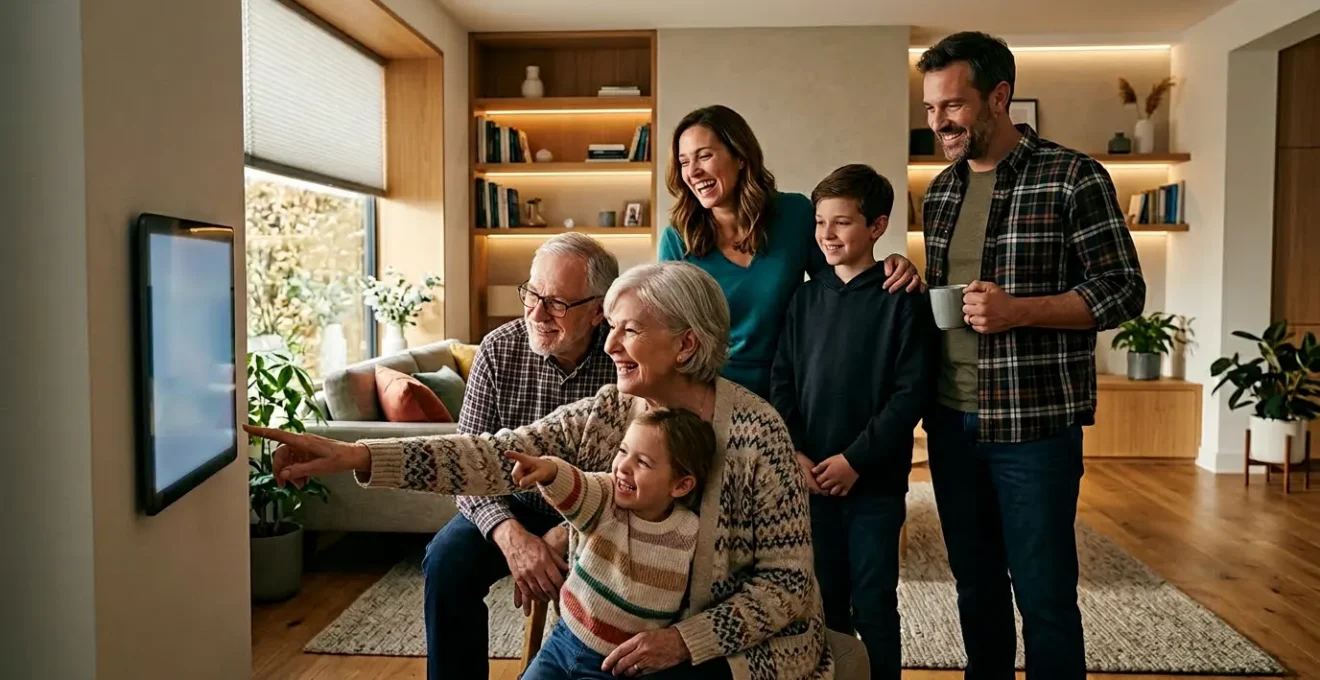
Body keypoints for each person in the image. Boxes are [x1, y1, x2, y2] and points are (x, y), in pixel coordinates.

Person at [246, 261, 843, 680]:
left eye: (629, 330)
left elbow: (788, 586)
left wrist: (681, 642)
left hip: (726, 649)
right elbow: (493, 452)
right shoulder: (612, 410)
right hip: (611, 639)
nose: (610, 346)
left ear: (686, 347)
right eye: (611, 328)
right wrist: (359, 454)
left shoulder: (756, 434)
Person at [916, 32, 1146, 679]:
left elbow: (1124, 290)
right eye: (931, 108)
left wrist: (1021, 310)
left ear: (999, 96)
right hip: (951, 423)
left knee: (1045, 598)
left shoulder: (1073, 177)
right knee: (975, 589)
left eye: (953, 106)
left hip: (1035, 428)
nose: (939, 122)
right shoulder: (938, 192)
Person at [427, 232, 620, 679]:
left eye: (556, 303)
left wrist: (569, 532)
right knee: (446, 562)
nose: (536, 313)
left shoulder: (622, 354)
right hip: (510, 504)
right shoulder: (498, 349)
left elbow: (633, 476)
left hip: (598, 516)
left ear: (597, 311)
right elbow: (466, 467)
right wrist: (511, 536)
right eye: (531, 293)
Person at [770, 164, 934, 680]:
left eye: (841, 223)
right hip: (812, 481)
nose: (826, 235)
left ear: (877, 226)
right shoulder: (804, 298)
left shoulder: (902, 300)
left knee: (875, 600)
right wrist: (797, 451)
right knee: (825, 601)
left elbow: (911, 396)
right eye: (820, 223)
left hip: (874, 483)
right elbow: (783, 381)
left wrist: (854, 460)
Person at [657, 104, 923, 401]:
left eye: (704, 155)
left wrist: (889, 266)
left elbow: (841, 285)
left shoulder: (795, 214)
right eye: (683, 162)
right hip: (707, 393)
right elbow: (667, 334)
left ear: (740, 156)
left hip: (794, 389)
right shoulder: (677, 240)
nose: (692, 172)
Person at [504, 408, 715, 680]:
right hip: (562, 641)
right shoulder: (606, 499)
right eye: (623, 451)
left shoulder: (690, 532)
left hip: (616, 666)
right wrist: (550, 471)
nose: (623, 467)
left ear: (681, 485)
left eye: (643, 463)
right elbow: (577, 487)